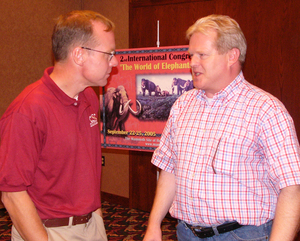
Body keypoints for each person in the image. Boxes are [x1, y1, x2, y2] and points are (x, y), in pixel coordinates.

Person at [143, 14, 300, 241]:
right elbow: (170, 169)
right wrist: (154, 224)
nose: (192, 63)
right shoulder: (183, 105)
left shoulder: (266, 110)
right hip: (187, 233)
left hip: (244, 235)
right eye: (191, 55)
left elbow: (292, 187)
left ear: (232, 56)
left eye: (202, 55)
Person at [0, 10, 118, 241]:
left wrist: (97, 221)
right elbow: (12, 193)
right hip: (48, 232)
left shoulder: (89, 97)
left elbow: (85, 175)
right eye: (109, 54)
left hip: (92, 225)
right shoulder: (27, 110)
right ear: (79, 55)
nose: (114, 61)